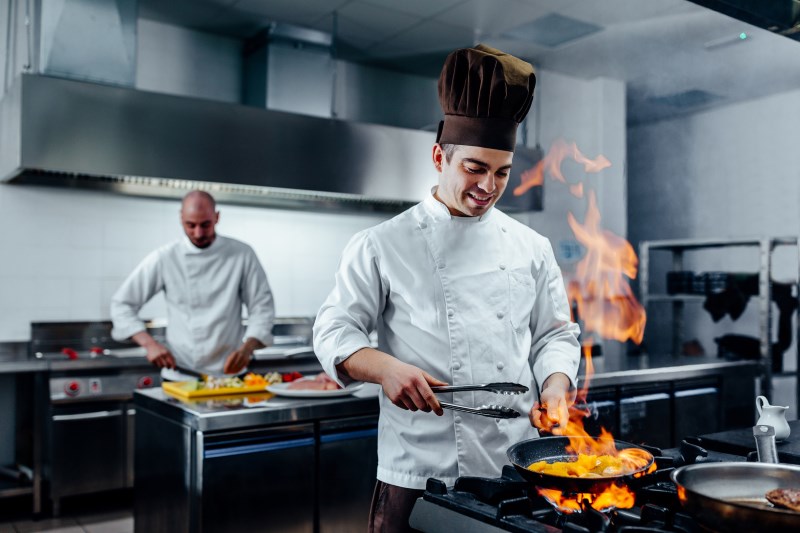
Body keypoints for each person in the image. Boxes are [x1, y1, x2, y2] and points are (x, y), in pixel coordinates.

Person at [312, 44, 581, 532]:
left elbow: (553, 336)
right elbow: (334, 330)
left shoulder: (531, 246)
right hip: (418, 472)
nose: (488, 186)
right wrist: (386, 369)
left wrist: (557, 386)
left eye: (501, 172)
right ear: (440, 156)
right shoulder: (382, 243)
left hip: (514, 467)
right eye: (474, 168)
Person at [111, 190, 275, 376]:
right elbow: (122, 304)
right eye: (191, 225)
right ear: (181, 218)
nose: (198, 233)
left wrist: (247, 348)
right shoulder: (165, 257)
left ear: (217, 217)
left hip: (230, 373)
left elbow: (262, 307)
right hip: (180, 372)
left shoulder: (242, 254)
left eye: (205, 225)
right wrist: (149, 344)